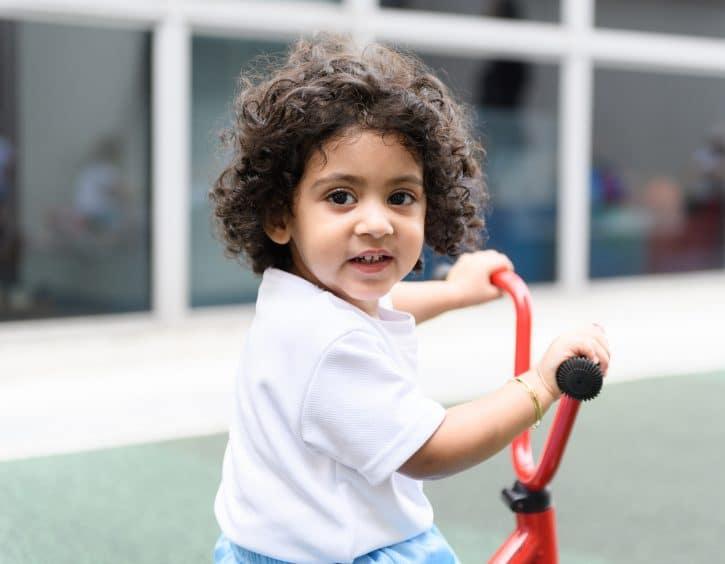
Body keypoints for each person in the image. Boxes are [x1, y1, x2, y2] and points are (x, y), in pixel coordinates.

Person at [210, 34, 610, 564]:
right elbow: (430, 449)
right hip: (351, 553)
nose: (375, 222)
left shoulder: (299, 300)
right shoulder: (332, 346)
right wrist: (540, 383)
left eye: (400, 197)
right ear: (280, 216)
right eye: (340, 197)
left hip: (265, 546)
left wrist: (452, 293)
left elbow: (383, 306)